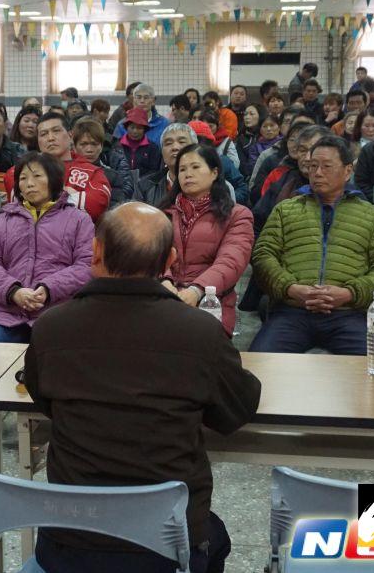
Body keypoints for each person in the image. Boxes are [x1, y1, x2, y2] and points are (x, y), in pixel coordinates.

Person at [25, 201, 260, 573]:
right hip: (167, 549)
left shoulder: (52, 328)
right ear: (169, 260)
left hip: (71, 544)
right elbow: (237, 410)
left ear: (95, 251)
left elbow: (45, 400)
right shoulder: (199, 333)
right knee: (216, 538)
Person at [250, 136, 374, 354]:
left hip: (349, 313)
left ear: (348, 171)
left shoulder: (371, 215)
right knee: (260, 367)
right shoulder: (286, 209)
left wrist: (349, 293)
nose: (317, 173)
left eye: (326, 166)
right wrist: (291, 289)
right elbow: (263, 256)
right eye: (312, 166)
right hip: (293, 311)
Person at [0, 152, 93, 343]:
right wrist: (14, 292)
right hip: (6, 314)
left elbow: (86, 265)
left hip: (58, 312)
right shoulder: (2, 220)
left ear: (54, 180)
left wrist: (48, 289)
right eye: (23, 178)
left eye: (37, 176)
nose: (29, 183)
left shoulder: (79, 219)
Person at [160, 144, 254, 336]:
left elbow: (231, 261)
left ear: (214, 173)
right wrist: (165, 282)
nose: (188, 174)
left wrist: (196, 290)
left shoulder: (237, 215)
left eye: (195, 167)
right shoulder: (163, 213)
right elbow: (152, 253)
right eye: (182, 169)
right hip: (164, 298)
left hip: (211, 302)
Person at [5, 113, 112, 222]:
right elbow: (19, 203)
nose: (50, 138)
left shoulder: (92, 171)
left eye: (56, 131)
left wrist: (41, 197)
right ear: (38, 140)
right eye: (43, 134)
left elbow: (97, 205)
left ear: (70, 135)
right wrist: (67, 195)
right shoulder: (21, 169)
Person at [136, 122, 202, 208]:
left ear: (195, 148)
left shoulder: (209, 183)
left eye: (181, 142)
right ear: (162, 152)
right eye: (168, 143)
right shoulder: (145, 186)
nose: (175, 147)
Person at [74, 118, 131, 203]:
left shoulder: (113, 177)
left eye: (94, 144)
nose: (89, 149)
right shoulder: (64, 174)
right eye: (83, 144)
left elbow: (115, 209)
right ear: (74, 147)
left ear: (101, 147)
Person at [111, 107, 161, 178]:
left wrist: (140, 182)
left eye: (139, 128)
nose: (135, 131)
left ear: (144, 129)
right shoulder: (117, 146)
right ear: (126, 127)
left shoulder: (153, 148)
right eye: (132, 127)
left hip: (145, 186)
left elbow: (154, 171)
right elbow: (113, 168)